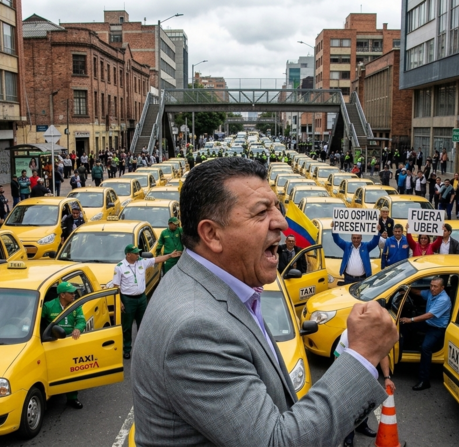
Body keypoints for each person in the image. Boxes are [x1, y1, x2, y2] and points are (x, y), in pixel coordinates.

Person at [132, 158, 397, 445]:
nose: (282, 222)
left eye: (276, 207)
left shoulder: (221, 287)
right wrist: (362, 355)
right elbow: (275, 442)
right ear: (211, 234)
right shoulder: (196, 329)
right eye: (261, 212)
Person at [111, 244, 180, 359]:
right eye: (135, 253)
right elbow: (116, 286)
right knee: (127, 327)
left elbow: (156, 259)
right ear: (128, 255)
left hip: (142, 298)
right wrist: (120, 302)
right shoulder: (120, 267)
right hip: (128, 300)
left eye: (138, 252)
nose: (138, 254)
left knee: (143, 325)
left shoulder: (141, 262)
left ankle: (142, 348)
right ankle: (127, 349)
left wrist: (170, 256)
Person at [400, 277, 451, 391]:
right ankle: (403, 349)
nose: (432, 288)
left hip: (437, 328)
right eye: (431, 285)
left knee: (425, 348)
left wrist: (411, 319)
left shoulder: (443, 300)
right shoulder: (431, 293)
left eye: (435, 286)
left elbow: (429, 315)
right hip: (428, 323)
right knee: (404, 325)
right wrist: (407, 288)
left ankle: (424, 380)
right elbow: (418, 292)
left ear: (442, 288)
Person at [41, 281, 86, 409]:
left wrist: (78, 328)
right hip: (54, 343)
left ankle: (72, 398)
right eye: (71, 293)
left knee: (72, 370)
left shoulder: (76, 306)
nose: (74, 295)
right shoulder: (49, 306)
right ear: (62, 295)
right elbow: (38, 320)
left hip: (70, 343)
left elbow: (81, 320)